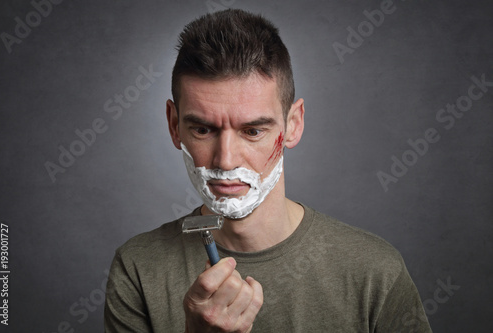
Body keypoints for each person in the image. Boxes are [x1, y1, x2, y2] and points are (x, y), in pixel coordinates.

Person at [104, 8, 432, 332]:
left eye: (253, 131)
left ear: (293, 124)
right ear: (175, 125)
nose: (226, 160)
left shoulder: (376, 272)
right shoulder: (138, 269)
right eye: (203, 130)